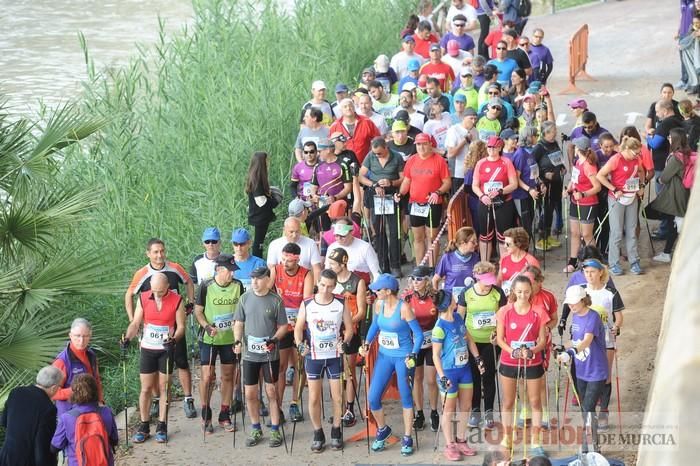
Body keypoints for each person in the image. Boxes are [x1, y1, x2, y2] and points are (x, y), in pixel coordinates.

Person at [124, 238, 196, 419]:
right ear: (148, 254)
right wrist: (134, 320)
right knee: (153, 369)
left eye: (162, 251)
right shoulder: (142, 273)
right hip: (151, 327)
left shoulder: (174, 267)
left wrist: (190, 301)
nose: (159, 255)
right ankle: (156, 400)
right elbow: (129, 295)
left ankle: (188, 398)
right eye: (155, 252)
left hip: (173, 324)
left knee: (181, 362)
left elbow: (188, 281)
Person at [359, 273, 424, 455]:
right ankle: (383, 430)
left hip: (403, 357)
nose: (375, 292)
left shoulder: (404, 308)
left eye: (378, 289)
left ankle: (407, 437)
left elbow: (418, 335)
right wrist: (366, 343)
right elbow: (375, 326)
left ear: (388, 291)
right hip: (384, 356)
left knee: (405, 396)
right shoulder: (379, 304)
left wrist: (413, 355)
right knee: (372, 397)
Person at [121, 272, 186, 443]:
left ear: (167, 287)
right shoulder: (143, 298)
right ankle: (144, 425)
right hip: (148, 348)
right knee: (146, 388)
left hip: (165, 349)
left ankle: (162, 425)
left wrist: (174, 339)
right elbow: (135, 323)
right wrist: (127, 338)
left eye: (160, 291)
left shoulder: (177, 300)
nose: (156, 294)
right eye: (153, 290)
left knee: (165, 387)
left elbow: (181, 327)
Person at [294, 268, 354, 452]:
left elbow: (349, 329)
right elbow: (298, 328)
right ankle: (318, 433)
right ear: (317, 284)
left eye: (329, 287)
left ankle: (336, 430)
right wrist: (299, 344)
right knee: (313, 397)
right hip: (314, 356)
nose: (325, 290)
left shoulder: (341, 302)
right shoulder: (307, 303)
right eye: (322, 285)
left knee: (337, 397)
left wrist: (344, 342)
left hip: (334, 356)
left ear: (335, 286)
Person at [560, 259, 623, 431]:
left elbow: (618, 317)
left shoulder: (610, 292)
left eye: (592, 272)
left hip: (605, 339)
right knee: (584, 370)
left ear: (600, 272)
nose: (588, 275)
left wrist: (616, 327)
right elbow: (573, 314)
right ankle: (589, 410)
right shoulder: (581, 290)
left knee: (606, 376)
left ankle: (603, 410)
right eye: (586, 272)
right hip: (582, 341)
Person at [232, 265, 288, 448]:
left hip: (269, 354)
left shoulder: (276, 301)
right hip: (250, 355)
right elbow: (239, 322)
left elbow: (283, 327)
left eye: (258, 279)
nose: (254, 282)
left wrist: (274, 339)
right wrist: (237, 341)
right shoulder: (244, 299)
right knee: (250, 393)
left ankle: (274, 429)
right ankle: (255, 427)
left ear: (267, 279)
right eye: (252, 279)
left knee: (271, 391)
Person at [495, 275, 547, 457]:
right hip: (509, 361)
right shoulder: (504, 311)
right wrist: (513, 351)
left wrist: (532, 350)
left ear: (531, 291)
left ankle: (536, 441)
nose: (523, 295)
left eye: (526, 291)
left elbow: (543, 339)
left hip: (533, 361)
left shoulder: (539, 311)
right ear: (513, 292)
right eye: (519, 292)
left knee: (535, 401)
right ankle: (507, 438)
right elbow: (500, 339)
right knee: (508, 401)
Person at [193, 254, 244, 433]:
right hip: (210, 338)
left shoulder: (238, 285)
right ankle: (206, 413)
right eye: (228, 271)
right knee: (207, 377)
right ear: (218, 270)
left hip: (229, 338)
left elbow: (241, 311)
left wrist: (240, 334)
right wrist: (207, 326)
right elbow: (198, 311)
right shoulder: (206, 286)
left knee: (228, 376)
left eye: (233, 271)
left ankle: (225, 413)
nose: (231, 274)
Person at [433, 288, 483, 461]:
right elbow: (435, 356)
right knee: (449, 409)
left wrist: (478, 359)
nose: (456, 300)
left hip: (464, 370)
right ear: (448, 304)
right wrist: (442, 376)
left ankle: (461, 439)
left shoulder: (459, 318)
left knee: (466, 406)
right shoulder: (439, 328)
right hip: (448, 372)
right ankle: (450, 444)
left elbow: (469, 339)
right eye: (452, 299)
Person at [556, 285, 609, 446]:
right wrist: (563, 348)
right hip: (581, 370)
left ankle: (590, 445)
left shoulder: (592, 317)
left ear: (582, 300)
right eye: (569, 303)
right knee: (584, 408)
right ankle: (590, 443)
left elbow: (587, 341)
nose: (570, 306)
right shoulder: (576, 316)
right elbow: (576, 340)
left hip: (596, 370)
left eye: (574, 303)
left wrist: (570, 353)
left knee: (588, 406)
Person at [456, 262, 506, 430]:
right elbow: (459, 318)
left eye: (491, 281)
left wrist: (498, 334)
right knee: (474, 376)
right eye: (485, 282)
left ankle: (489, 412)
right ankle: (475, 410)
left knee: (489, 374)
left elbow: (503, 317)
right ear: (477, 278)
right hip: (472, 341)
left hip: (491, 342)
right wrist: (462, 338)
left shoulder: (498, 293)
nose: (488, 285)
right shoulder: (467, 293)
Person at [270, 242, 314, 423]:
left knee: (298, 366)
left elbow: (307, 300)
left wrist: (300, 323)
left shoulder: (306, 274)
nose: (285, 264)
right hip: (281, 326)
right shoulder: (276, 270)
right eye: (283, 259)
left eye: (288, 261)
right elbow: (268, 292)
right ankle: (277, 406)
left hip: (299, 325)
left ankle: (294, 402)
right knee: (280, 367)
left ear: (296, 260)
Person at [325, 248, 367, 427]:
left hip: (350, 332)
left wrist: (347, 325)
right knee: (336, 372)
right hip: (332, 331)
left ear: (343, 263)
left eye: (333, 264)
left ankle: (350, 408)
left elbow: (362, 311)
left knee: (349, 371)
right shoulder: (330, 282)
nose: (331, 266)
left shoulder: (357, 282)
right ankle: (338, 408)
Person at [396, 133, 452, 266]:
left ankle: (432, 267)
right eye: (418, 144)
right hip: (415, 203)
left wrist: (437, 192)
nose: (421, 147)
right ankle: (420, 267)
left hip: (433, 203)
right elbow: (407, 181)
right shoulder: (412, 160)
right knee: (418, 237)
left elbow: (447, 182)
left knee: (432, 237)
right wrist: (400, 193)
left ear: (430, 144)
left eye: (424, 144)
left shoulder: (439, 160)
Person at [595, 136, 646, 275]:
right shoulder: (616, 159)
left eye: (638, 153)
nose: (637, 156)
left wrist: (642, 185)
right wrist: (614, 189)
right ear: (627, 149)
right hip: (617, 199)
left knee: (632, 231)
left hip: (632, 198)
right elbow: (600, 175)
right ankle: (613, 263)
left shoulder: (636, 159)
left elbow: (641, 171)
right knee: (616, 232)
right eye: (635, 153)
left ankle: (634, 261)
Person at [358, 137, 405, 276]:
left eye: (379, 153)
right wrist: (373, 184)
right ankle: (383, 265)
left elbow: (403, 178)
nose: (377, 155)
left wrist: (391, 182)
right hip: (376, 194)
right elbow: (361, 176)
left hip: (392, 193)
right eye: (375, 153)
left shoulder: (397, 157)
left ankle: (396, 264)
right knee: (379, 230)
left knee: (394, 231)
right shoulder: (370, 156)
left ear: (386, 147)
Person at [50, 374, 118, 466]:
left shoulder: (66, 418)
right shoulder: (106, 412)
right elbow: (114, 440)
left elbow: (55, 447)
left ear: (73, 392)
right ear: (95, 391)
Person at [0, 365, 62, 466]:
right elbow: (42, 446)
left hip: (7, 456)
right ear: (54, 388)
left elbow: (4, 421)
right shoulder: (48, 408)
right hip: (28, 460)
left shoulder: (16, 392)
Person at [471, 135, 519, 262]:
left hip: (503, 202)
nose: (491, 149)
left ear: (499, 147)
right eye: (489, 147)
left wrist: (500, 191)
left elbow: (514, 184)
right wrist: (482, 196)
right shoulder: (480, 163)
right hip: (485, 202)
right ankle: (484, 265)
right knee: (485, 235)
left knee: (503, 236)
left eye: (494, 147)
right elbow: (475, 185)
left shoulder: (506, 162)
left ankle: (504, 264)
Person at [647, 128, 692, 263]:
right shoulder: (688, 154)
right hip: (683, 192)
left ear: (675, 139)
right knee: (675, 223)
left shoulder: (676, 158)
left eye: (670, 137)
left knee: (671, 222)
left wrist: (660, 179)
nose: (668, 139)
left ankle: (668, 253)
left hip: (674, 194)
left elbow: (664, 177)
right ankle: (670, 251)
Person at [404, 266, 440, 432]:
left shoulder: (435, 297)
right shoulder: (407, 297)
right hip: (415, 343)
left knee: (432, 380)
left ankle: (434, 411)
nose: (415, 282)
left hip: (432, 342)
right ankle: (419, 413)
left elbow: (442, 318)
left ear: (427, 280)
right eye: (413, 279)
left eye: (419, 279)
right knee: (417, 379)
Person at [646, 98, 683, 240]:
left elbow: (655, 144)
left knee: (663, 201)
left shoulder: (665, 124)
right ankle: (670, 228)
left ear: (665, 110)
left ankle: (665, 231)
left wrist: (648, 136)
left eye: (657, 111)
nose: (657, 114)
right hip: (676, 166)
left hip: (663, 167)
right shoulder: (678, 119)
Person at [52, 318, 104, 418]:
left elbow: (97, 380)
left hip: (91, 411)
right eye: (77, 336)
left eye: (85, 336)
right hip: (69, 415)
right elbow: (53, 393)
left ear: (90, 335)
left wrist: (100, 401)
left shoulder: (91, 355)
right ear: (70, 335)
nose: (81, 340)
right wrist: (78, 390)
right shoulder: (61, 361)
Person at [564, 137, 602, 273]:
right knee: (575, 232)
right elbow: (574, 179)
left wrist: (583, 194)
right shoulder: (578, 162)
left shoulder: (588, 165)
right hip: (576, 201)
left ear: (578, 149)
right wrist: (568, 189)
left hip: (588, 203)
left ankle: (594, 262)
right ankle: (573, 261)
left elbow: (597, 187)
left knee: (586, 234)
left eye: (574, 147)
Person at [532, 121, 565, 251]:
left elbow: (559, 159)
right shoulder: (539, 147)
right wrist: (544, 175)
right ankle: (541, 239)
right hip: (545, 185)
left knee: (551, 209)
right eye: (552, 132)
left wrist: (562, 168)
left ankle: (548, 236)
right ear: (545, 133)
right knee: (545, 211)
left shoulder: (555, 143)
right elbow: (532, 167)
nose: (555, 133)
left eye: (555, 131)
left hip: (557, 182)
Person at [325, 217, 381, 284]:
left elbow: (376, 273)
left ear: (351, 232)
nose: (339, 238)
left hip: (362, 286)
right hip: (337, 286)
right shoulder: (332, 248)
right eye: (336, 235)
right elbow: (327, 270)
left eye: (342, 235)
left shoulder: (365, 248)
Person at [432, 226, 480, 303]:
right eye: (473, 241)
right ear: (463, 243)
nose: (476, 244)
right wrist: (437, 299)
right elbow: (435, 280)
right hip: (451, 302)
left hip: (470, 300)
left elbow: (479, 280)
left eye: (476, 241)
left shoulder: (475, 257)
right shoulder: (447, 258)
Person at [246, 151, 280, 259]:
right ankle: (258, 262)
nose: (268, 163)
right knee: (258, 242)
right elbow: (261, 202)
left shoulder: (256, 178)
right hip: (260, 216)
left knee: (259, 241)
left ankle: (258, 260)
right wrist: (275, 201)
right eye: (266, 161)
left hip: (260, 216)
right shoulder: (256, 181)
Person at [509, 125, 540, 241]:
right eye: (535, 135)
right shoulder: (520, 154)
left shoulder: (530, 151)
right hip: (521, 195)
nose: (537, 138)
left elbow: (533, 171)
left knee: (529, 223)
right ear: (529, 137)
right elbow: (516, 178)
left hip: (530, 193)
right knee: (525, 226)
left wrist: (539, 183)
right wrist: (529, 189)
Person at [329, 98, 380, 164]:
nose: (348, 108)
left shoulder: (367, 122)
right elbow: (330, 146)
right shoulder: (335, 126)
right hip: (343, 164)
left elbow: (378, 139)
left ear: (354, 107)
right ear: (340, 110)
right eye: (345, 107)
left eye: (350, 106)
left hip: (366, 163)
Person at [309, 138, 353, 207]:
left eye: (320, 151)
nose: (318, 154)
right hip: (322, 206)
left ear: (328, 150)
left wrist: (335, 197)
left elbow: (348, 188)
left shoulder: (343, 165)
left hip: (339, 205)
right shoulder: (317, 166)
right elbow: (313, 186)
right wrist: (314, 195)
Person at [497, 227, 539, 295]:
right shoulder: (504, 257)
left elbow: (536, 287)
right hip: (506, 300)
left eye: (508, 244)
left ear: (518, 244)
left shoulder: (531, 261)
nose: (505, 246)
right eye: (504, 243)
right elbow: (499, 280)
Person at [446, 108, 479, 194]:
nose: (473, 121)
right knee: (457, 202)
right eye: (471, 118)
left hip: (470, 172)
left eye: (475, 119)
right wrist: (464, 141)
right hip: (457, 173)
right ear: (463, 118)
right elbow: (450, 154)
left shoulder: (475, 131)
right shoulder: (454, 130)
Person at [463, 139, 488, 235]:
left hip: (481, 201)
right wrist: (480, 195)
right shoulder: (472, 168)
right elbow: (467, 187)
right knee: (480, 228)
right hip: (476, 202)